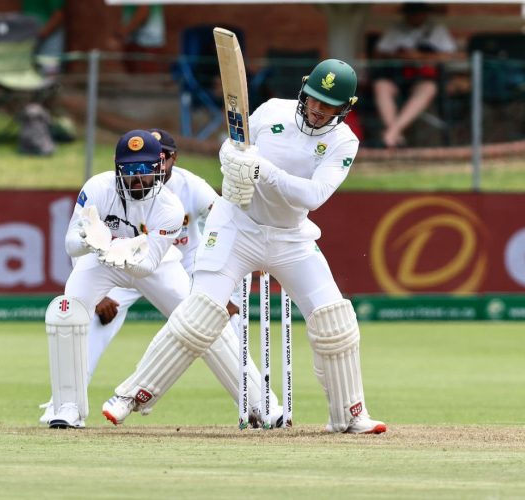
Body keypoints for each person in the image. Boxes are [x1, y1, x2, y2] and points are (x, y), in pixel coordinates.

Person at [102, 59, 387, 434]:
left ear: (345, 107)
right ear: (304, 92)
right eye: (314, 99)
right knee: (199, 316)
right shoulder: (272, 112)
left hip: (290, 236)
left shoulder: (343, 141)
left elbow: (314, 195)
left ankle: (349, 415)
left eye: (329, 105)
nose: (318, 109)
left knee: (336, 322)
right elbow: (230, 148)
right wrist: (234, 165)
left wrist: (262, 170)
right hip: (236, 227)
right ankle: (130, 396)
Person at [44, 129, 282, 429]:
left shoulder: (170, 207)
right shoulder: (97, 189)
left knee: (204, 322)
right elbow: (70, 245)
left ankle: (262, 405)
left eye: (144, 169)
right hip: (102, 259)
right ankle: (67, 407)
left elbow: (147, 265)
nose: (137, 178)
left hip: (155, 265)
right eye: (130, 170)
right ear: (118, 169)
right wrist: (88, 239)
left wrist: (127, 251)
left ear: (159, 167)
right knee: (68, 312)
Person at [372, 2, 457, 148]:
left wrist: (420, 56)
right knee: (381, 86)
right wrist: (400, 55)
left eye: (418, 12)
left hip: (423, 79)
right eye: (411, 12)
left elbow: (450, 56)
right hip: (398, 78)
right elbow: (378, 53)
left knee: (429, 88)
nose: (415, 16)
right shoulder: (396, 29)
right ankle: (395, 136)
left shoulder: (436, 30)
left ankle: (391, 134)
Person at [112, 4, 165, 73]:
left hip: (145, 43)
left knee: (143, 78)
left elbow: (143, 11)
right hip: (141, 41)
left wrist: (121, 34)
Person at [20, 0, 65, 75]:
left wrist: (41, 33)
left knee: (50, 71)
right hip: (29, 34)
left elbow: (59, 15)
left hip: (50, 33)